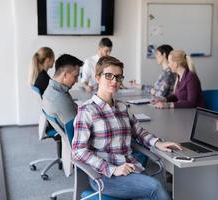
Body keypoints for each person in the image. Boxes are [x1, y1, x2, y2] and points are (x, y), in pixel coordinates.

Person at [72, 56, 181, 199]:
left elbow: (137, 131)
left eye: (118, 77)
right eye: (109, 76)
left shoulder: (122, 107)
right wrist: (112, 169)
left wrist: (157, 142)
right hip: (106, 176)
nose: (114, 81)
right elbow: (78, 151)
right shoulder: (87, 110)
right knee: (155, 188)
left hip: (129, 168)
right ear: (97, 78)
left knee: (155, 191)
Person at [42, 54, 83, 125]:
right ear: (65, 75)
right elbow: (76, 129)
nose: (76, 81)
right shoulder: (61, 98)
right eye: (75, 76)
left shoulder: (50, 89)